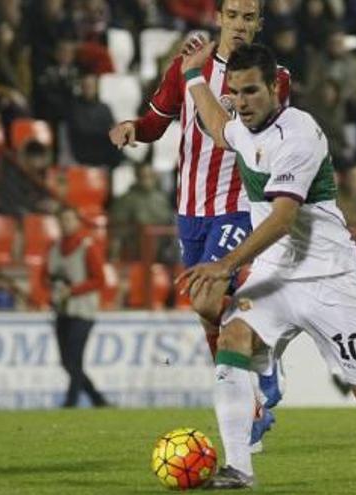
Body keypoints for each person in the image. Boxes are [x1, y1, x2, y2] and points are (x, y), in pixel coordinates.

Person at [177, 41, 356, 489]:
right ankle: (239, 468)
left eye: (251, 92)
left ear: (276, 87)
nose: (241, 103)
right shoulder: (244, 123)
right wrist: (192, 78)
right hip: (276, 276)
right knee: (233, 336)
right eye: (236, 93)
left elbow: (281, 220)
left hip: (327, 277)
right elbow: (220, 129)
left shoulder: (299, 134)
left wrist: (225, 265)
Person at [108, 0, 291, 450]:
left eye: (249, 18)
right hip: (190, 211)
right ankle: (259, 370)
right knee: (207, 312)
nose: (240, 25)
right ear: (220, 18)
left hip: (238, 206)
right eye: (233, 16)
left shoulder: (274, 78)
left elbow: (256, 137)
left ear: (259, 24)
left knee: (207, 296)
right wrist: (133, 126)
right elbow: (157, 124)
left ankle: (250, 400)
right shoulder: (186, 67)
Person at [48, 207, 109, 408]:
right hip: (62, 310)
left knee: (74, 359)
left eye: (68, 219)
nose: (65, 224)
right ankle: (97, 399)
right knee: (67, 361)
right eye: (62, 219)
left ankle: (71, 402)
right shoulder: (55, 247)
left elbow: (99, 279)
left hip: (83, 311)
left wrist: (72, 291)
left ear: (77, 223)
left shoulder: (87, 247)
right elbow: (45, 275)